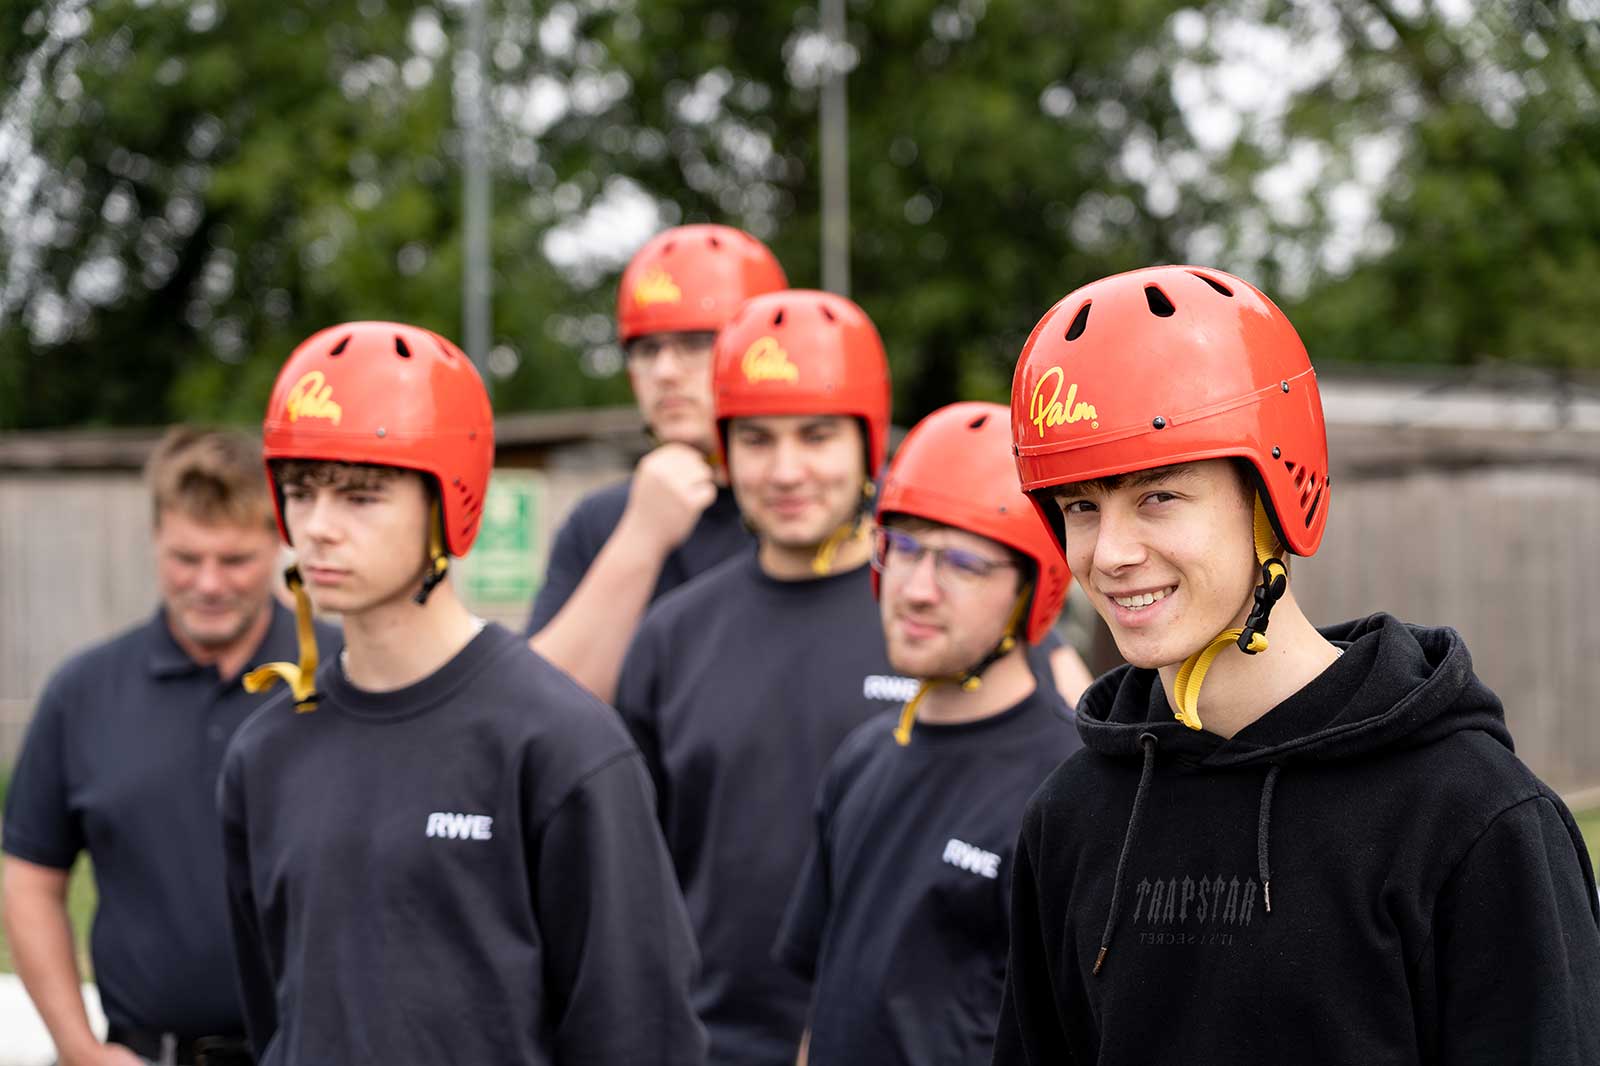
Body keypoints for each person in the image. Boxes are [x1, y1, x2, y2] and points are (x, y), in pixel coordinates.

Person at [992, 266, 1600, 1065]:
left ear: (1272, 497)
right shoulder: (1070, 817)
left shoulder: (1474, 820)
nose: (1111, 554)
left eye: (1158, 497)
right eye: (1081, 507)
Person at [218, 321, 704, 1066]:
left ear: (451, 502)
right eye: (301, 491)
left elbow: (641, 1037)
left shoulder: (562, 744)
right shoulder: (263, 753)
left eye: (360, 495)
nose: (317, 528)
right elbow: (276, 1019)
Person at [614, 288, 911, 1066]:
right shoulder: (671, 636)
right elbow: (629, 889)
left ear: (869, 443)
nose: (786, 470)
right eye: (756, 439)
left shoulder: (937, 623)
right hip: (709, 1046)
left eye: (816, 436)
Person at [2, 427, 340, 1066]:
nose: (209, 584)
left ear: (278, 543)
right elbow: (30, 882)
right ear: (156, 539)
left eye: (234, 559)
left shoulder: (344, 676)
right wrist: (78, 1048)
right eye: (186, 558)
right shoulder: (84, 691)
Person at [774, 401, 1082, 1065]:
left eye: (962, 565)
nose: (915, 589)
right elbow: (822, 1008)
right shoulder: (863, 757)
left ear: (1034, 591)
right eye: (903, 548)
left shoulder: (1072, 794)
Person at [526, 224, 787, 701]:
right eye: (647, 349)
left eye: (695, 343)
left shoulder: (827, 509)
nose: (666, 371)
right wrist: (641, 536)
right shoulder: (599, 520)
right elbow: (534, 710)